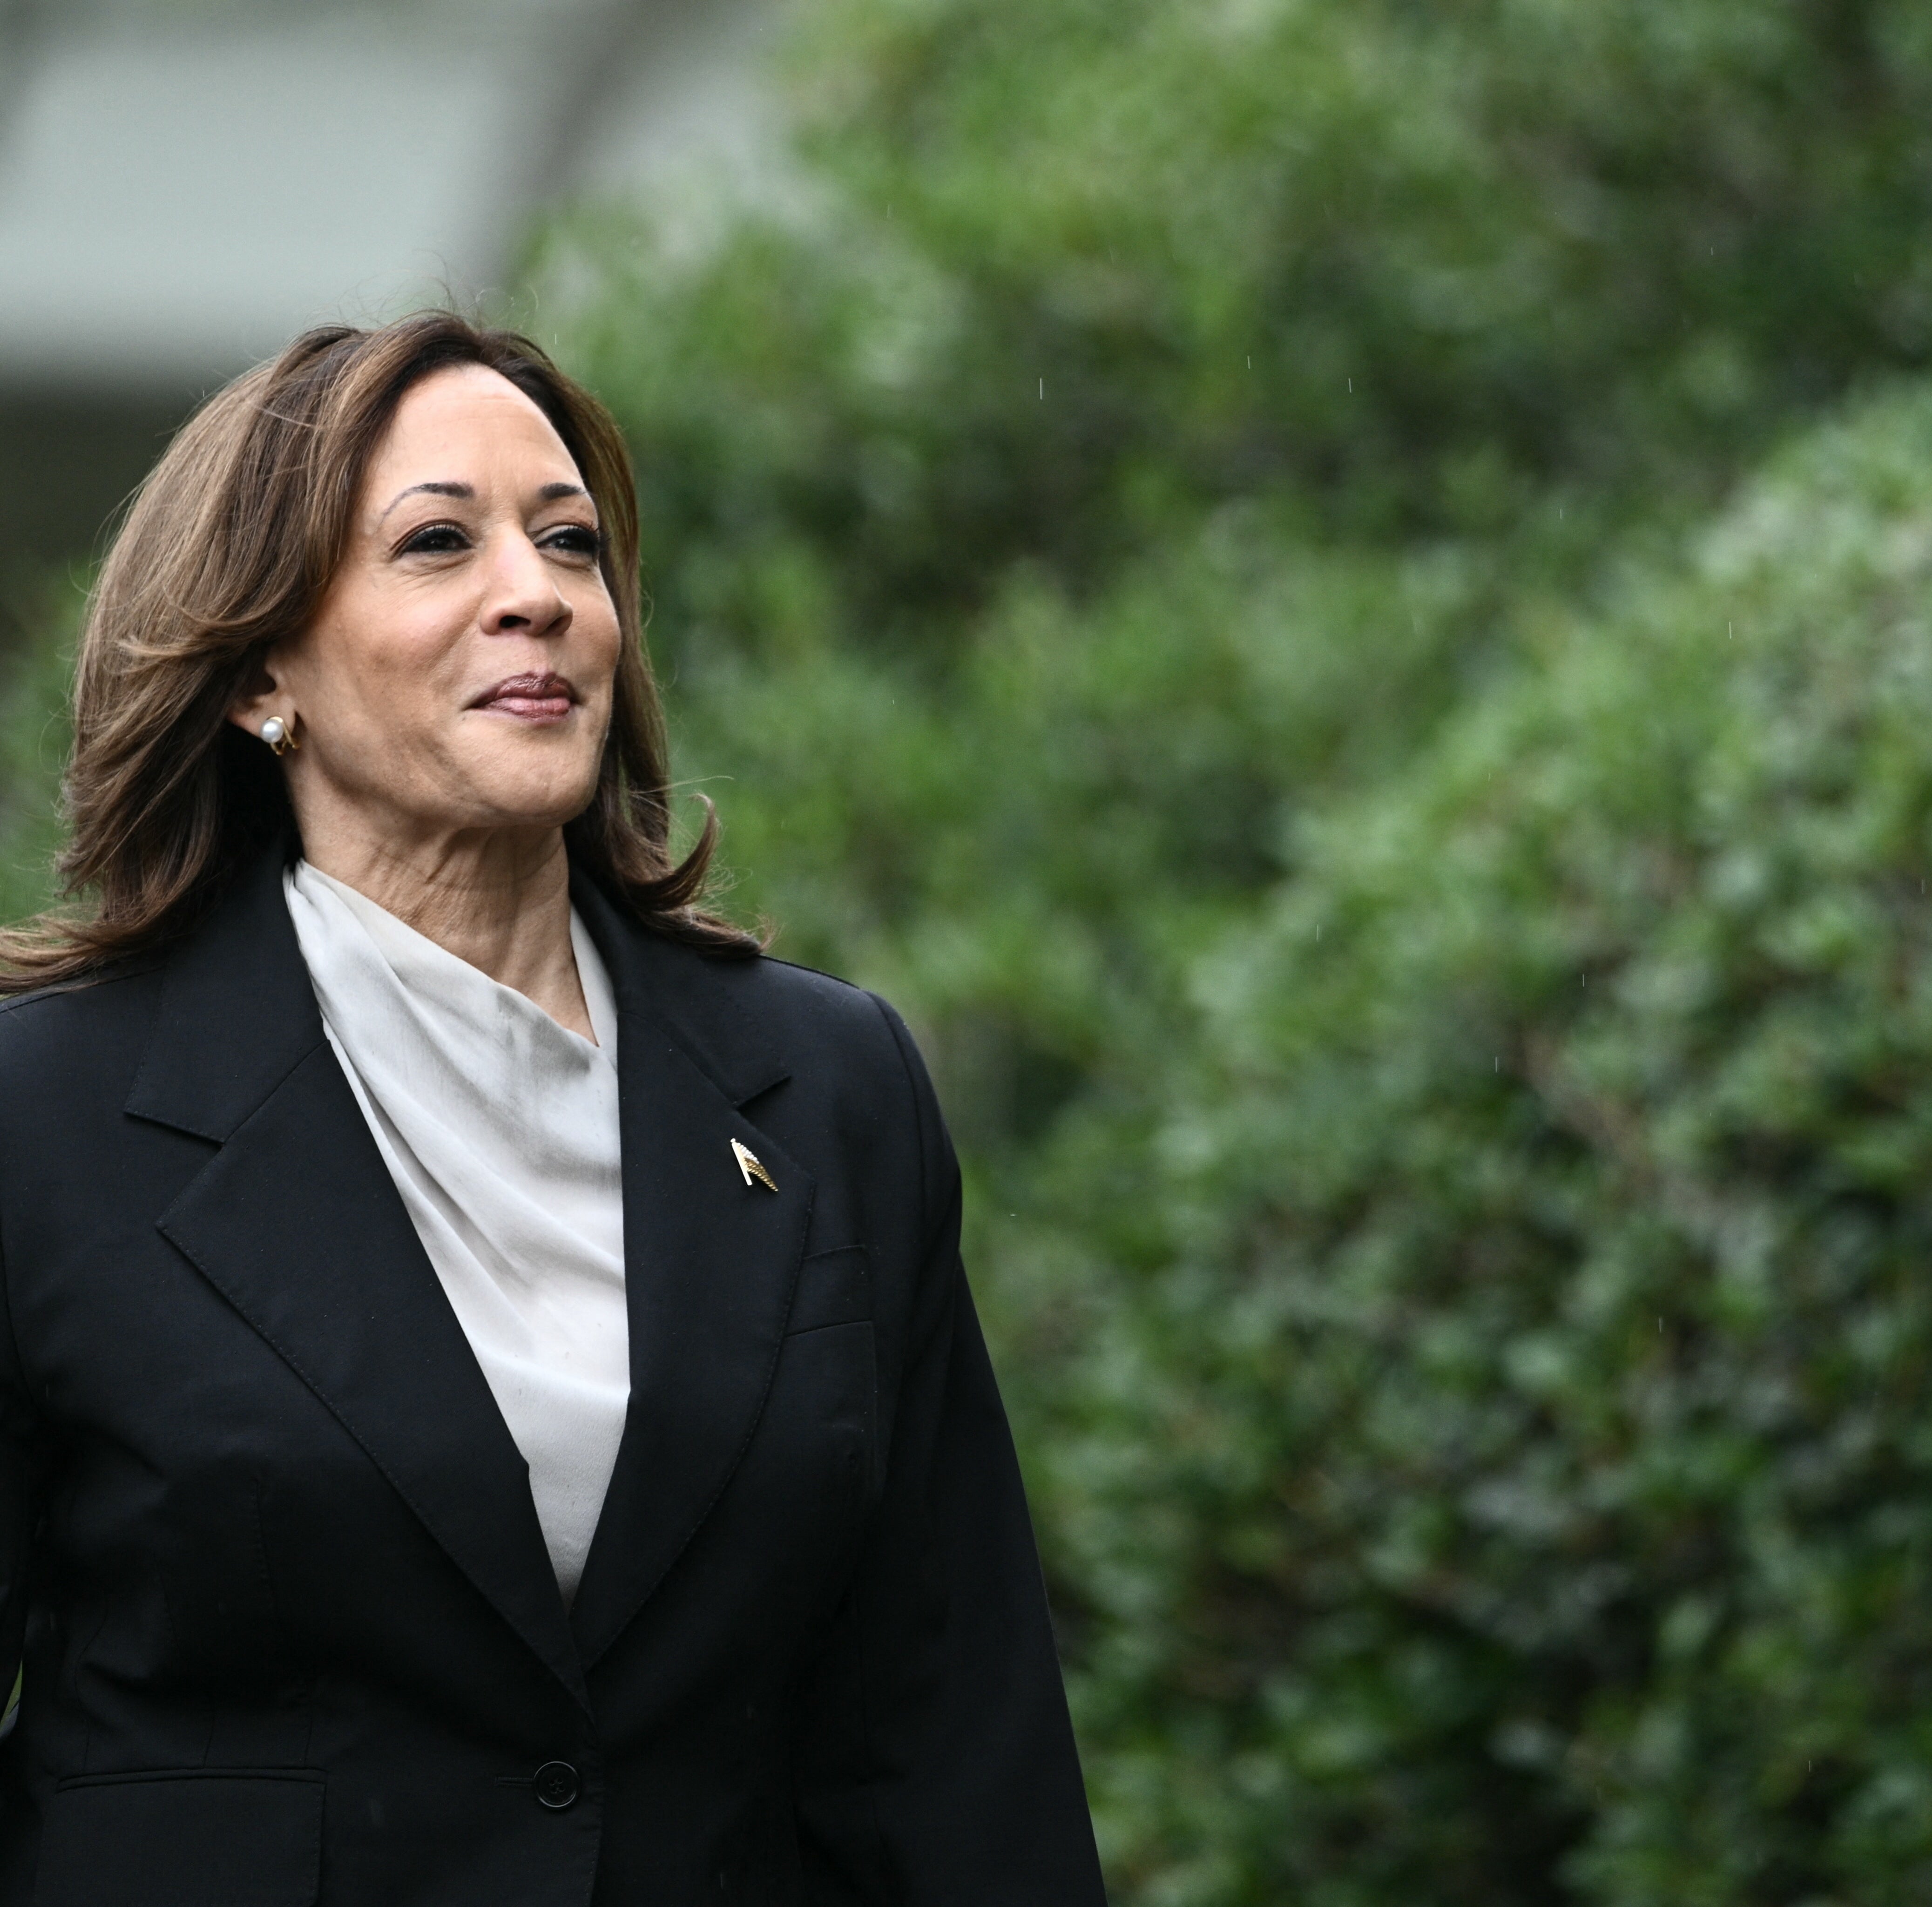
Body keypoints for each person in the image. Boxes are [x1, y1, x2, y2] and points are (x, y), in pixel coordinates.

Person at [0, 313, 1105, 1903]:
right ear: (260, 675)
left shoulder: (830, 1088)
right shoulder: (46, 1118)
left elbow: (951, 1737)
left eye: (569, 542)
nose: (536, 592)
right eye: (438, 543)